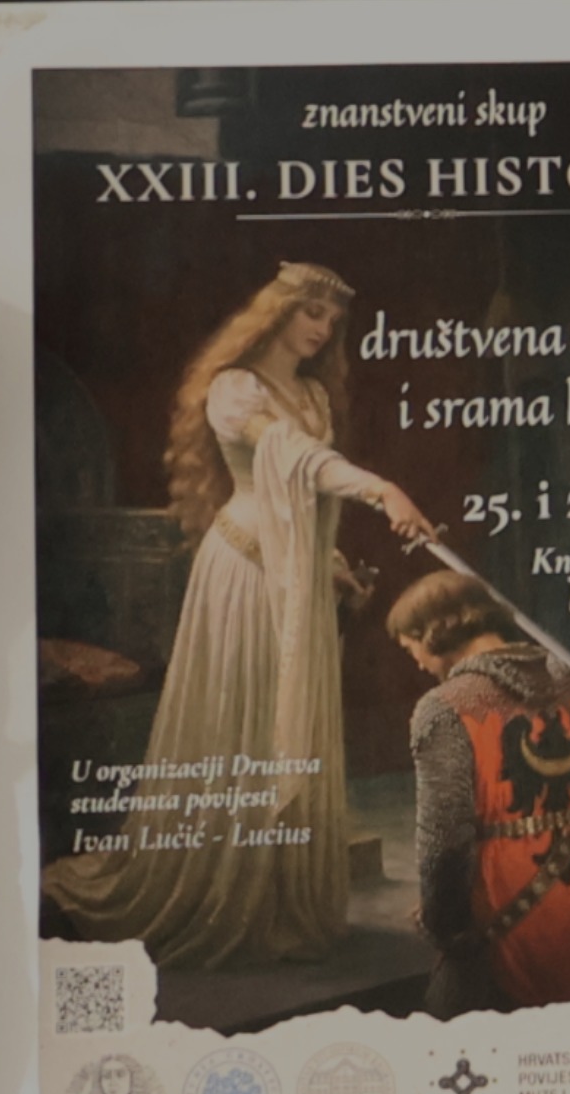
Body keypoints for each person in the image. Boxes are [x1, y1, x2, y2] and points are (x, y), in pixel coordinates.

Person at [40, 262, 435, 968]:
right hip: (243, 571)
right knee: (241, 720)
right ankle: (224, 893)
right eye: (310, 312)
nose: (321, 329)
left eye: (331, 320)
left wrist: (334, 567)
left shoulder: (313, 394)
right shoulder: (235, 388)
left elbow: (305, 501)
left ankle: (277, 899)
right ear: (276, 311)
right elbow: (295, 458)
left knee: (282, 725)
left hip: (293, 577)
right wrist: (383, 489)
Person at [391, 567, 570, 1012]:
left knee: (475, 1030)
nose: (417, 662)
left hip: (501, 889)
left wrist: (443, 923)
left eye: (410, 647)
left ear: (436, 631)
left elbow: (445, 839)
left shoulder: (445, 706)